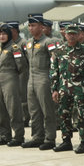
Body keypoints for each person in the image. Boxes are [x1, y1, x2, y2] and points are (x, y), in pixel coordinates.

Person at [50, 23, 84, 153]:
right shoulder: (58, 51)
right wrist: (54, 89)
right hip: (64, 88)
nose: (71, 36)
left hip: (80, 89)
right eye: (69, 34)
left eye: (74, 34)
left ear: (79, 35)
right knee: (64, 115)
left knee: (83, 115)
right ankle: (66, 141)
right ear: (65, 35)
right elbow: (54, 71)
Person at [22, 14, 59, 150]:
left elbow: (54, 62)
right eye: (29, 25)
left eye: (33, 25)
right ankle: (37, 137)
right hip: (31, 79)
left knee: (47, 110)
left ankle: (50, 138)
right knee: (34, 110)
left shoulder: (48, 42)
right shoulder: (28, 43)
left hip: (43, 78)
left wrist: (54, 81)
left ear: (41, 27)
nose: (31, 28)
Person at [0, 23, 25, 146]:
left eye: (4, 34)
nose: (1, 36)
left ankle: (18, 136)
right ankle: (4, 135)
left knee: (13, 108)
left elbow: (21, 66)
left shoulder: (15, 48)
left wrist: (13, 74)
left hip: (10, 79)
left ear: (9, 35)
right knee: (0, 108)